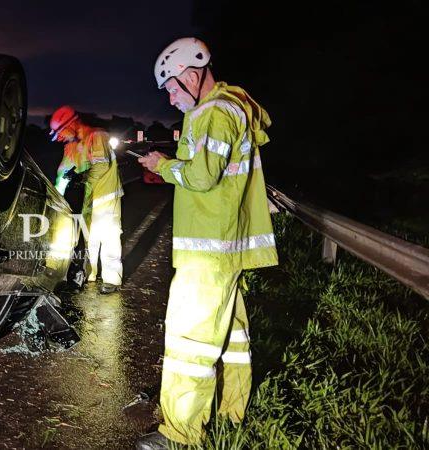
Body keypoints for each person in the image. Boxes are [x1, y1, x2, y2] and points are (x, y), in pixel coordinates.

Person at [135, 37, 279, 449]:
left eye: (173, 88)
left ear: (193, 75)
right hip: (227, 247)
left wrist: (162, 166)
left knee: (190, 341)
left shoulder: (213, 112)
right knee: (232, 335)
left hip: (207, 251)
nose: (171, 98)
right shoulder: (236, 108)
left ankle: (180, 434)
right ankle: (232, 414)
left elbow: (201, 176)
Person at [49, 105, 123, 294]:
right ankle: (89, 274)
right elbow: (62, 174)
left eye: (61, 133)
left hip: (106, 195)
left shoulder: (98, 136)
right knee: (90, 238)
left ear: (71, 124)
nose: (61, 138)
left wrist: (81, 178)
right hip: (88, 197)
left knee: (108, 237)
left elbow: (101, 167)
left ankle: (112, 279)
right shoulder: (70, 147)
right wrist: (55, 197)